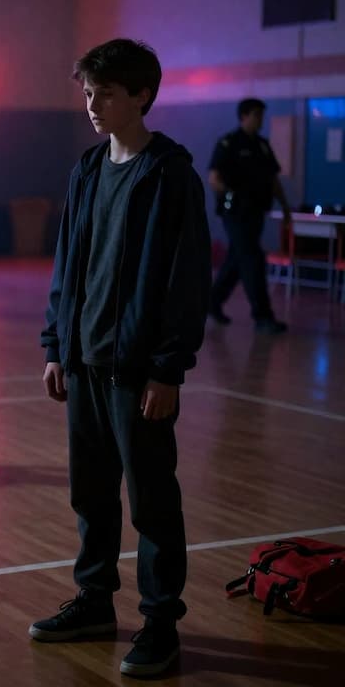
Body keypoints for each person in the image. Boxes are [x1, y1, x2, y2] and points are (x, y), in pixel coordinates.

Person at [31, 39, 211, 678]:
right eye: (87, 92)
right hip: (83, 364)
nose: (92, 104)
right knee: (92, 495)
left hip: (137, 373)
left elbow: (186, 281)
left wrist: (168, 368)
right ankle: (96, 601)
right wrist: (58, 344)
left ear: (141, 96)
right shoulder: (86, 169)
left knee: (153, 501)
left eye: (105, 92)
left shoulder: (169, 175)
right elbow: (67, 267)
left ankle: (160, 625)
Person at [208, 98, 292, 333]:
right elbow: (214, 178)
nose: (260, 120)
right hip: (234, 214)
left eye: (262, 115)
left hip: (256, 212)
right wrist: (231, 195)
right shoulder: (228, 143)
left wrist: (285, 208)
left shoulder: (263, 146)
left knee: (237, 259)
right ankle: (263, 316)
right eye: (256, 115)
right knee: (253, 258)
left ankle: (212, 302)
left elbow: (274, 181)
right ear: (243, 116)